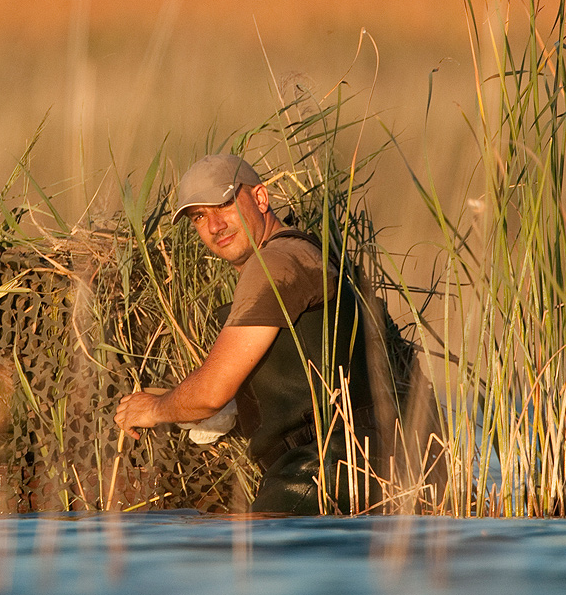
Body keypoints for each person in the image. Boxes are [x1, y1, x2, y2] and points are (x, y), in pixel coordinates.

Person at [113, 153, 377, 514]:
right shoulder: (302, 250)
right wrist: (184, 403)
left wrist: (155, 408)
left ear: (261, 198)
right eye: (199, 217)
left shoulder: (274, 262)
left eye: (224, 205)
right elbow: (300, 385)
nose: (215, 226)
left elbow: (211, 392)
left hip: (317, 474)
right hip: (351, 467)